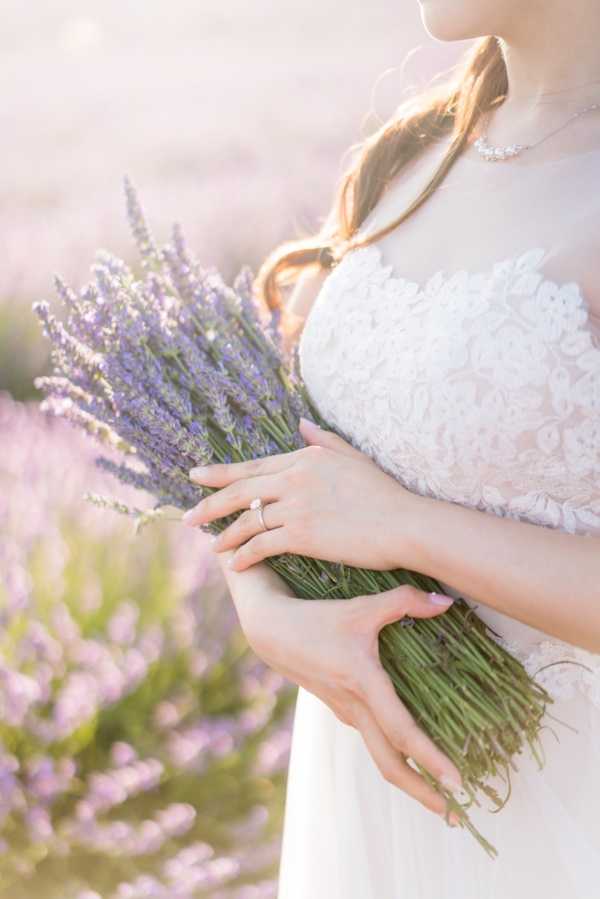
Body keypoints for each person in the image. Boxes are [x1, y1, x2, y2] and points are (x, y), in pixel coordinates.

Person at [183, 1, 600, 895]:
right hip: (372, 803)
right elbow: (297, 456)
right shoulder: (415, 152)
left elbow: (365, 509)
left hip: (565, 805)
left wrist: (405, 527)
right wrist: (267, 607)